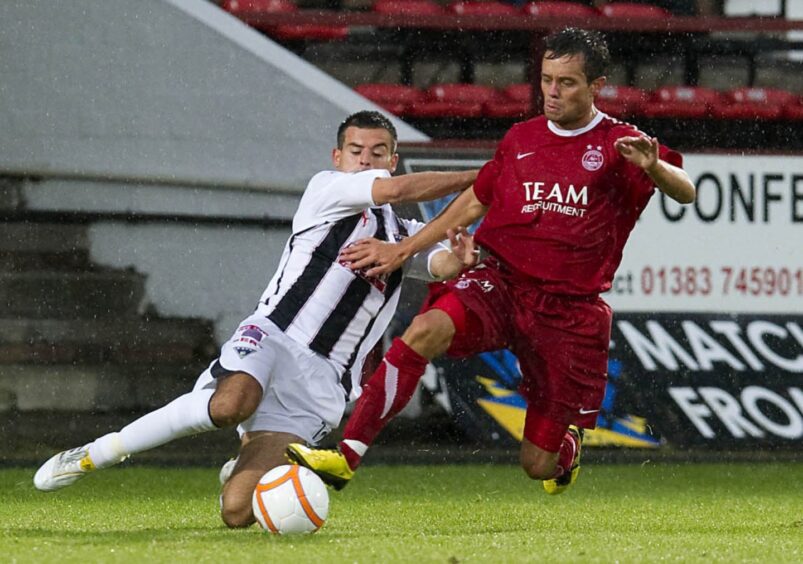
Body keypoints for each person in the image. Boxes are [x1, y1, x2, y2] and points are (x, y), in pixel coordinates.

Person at [287, 28, 696, 494]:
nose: (552, 92)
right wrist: (405, 249)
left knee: (539, 465)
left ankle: (566, 447)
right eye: (546, 80)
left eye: (567, 82)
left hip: (568, 312)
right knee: (424, 330)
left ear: (596, 84)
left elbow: (686, 191)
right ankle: (345, 456)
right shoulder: (521, 138)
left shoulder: (621, 143)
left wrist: (654, 167)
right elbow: (472, 203)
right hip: (500, 283)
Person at [33, 110, 479, 528]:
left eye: (378, 152)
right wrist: (485, 178)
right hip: (274, 337)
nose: (366, 160)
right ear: (337, 157)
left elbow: (436, 264)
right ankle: (96, 453)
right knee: (230, 405)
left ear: (393, 159)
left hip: (323, 382)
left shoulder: (403, 237)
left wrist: (457, 260)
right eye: (356, 151)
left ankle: (243, 465)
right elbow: (397, 192)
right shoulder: (327, 189)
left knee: (238, 511)